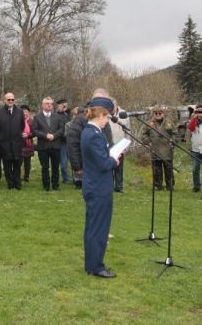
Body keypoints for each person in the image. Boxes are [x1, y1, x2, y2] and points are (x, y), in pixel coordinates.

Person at [80, 97, 119, 278]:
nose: (108, 121)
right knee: (98, 228)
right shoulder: (93, 134)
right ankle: (96, 266)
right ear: (101, 115)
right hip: (98, 188)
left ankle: (91, 264)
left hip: (94, 185)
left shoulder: (92, 132)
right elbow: (103, 164)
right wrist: (114, 160)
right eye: (107, 117)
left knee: (92, 227)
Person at [67, 88, 114, 191]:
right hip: (90, 167)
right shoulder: (81, 119)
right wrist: (77, 167)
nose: (102, 104)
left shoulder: (104, 118)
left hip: (103, 166)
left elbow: (108, 140)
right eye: (98, 100)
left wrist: (112, 155)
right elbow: (72, 143)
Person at [0, 93, 26, 190]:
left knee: (17, 164)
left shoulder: (19, 111)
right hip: (4, 143)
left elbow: (22, 126)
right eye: (8, 99)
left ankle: (17, 183)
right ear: (4, 100)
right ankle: (10, 184)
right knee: (7, 164)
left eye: (12, 99)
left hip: (17, 142)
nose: (11, 101)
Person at [32, 97, 66, 191]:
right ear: (43, 105)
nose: (49, 105)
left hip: (55, 145)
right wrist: (45, 135)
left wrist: (54, 136)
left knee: (55, 167)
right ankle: (46, 186)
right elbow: (34, 131)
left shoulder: (57, 117)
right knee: (45, 167)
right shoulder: (37, 117)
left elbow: (62, 129)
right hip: (43, 146)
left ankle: (55, 185)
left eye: (51, 103)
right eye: (47, 103)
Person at [144, 106, 177, 191]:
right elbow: (144, 134)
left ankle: (169, 186)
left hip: (167, 150)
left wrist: (173, 141)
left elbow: (175, 133)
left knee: (168, 169)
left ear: (163, 114)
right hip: (155, 149)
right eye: (156, 113)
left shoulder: (169, 123)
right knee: (156, 170)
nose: (158, 115)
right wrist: (148, 141)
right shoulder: (149, 123)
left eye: (160, 113)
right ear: (154, 114)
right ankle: (158, 186)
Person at [109, 102, 129, 193]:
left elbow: (128, 130)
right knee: (110, 167)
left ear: (116, 105)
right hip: (109, 144)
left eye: (113, 106)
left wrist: (127, 144)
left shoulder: (124, 114)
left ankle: (119, 186)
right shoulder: (107, 115)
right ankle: (109, 186)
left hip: (120, 143)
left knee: (119, 167)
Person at [56, 99, 71, 185]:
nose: (60, 107)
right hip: (60, 141)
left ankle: (72, 179)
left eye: (63, 106)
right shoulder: (56, 115)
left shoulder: (69, 115)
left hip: (68, 141)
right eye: (59, 106)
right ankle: (65, 179)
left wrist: (66, 111)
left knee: (69, 161)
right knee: (63, 162)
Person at [20, 105, 35, 182]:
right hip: (20, 144)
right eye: (23, 113)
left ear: (29, 113)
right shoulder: (18, 121)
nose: (25, 114)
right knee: (19, 161)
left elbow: (35, 133)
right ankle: (17, 175)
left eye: (26, 113)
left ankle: (26, 176)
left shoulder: (32, 122)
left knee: (27, 162)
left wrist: (28, 135)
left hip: (28, 144)